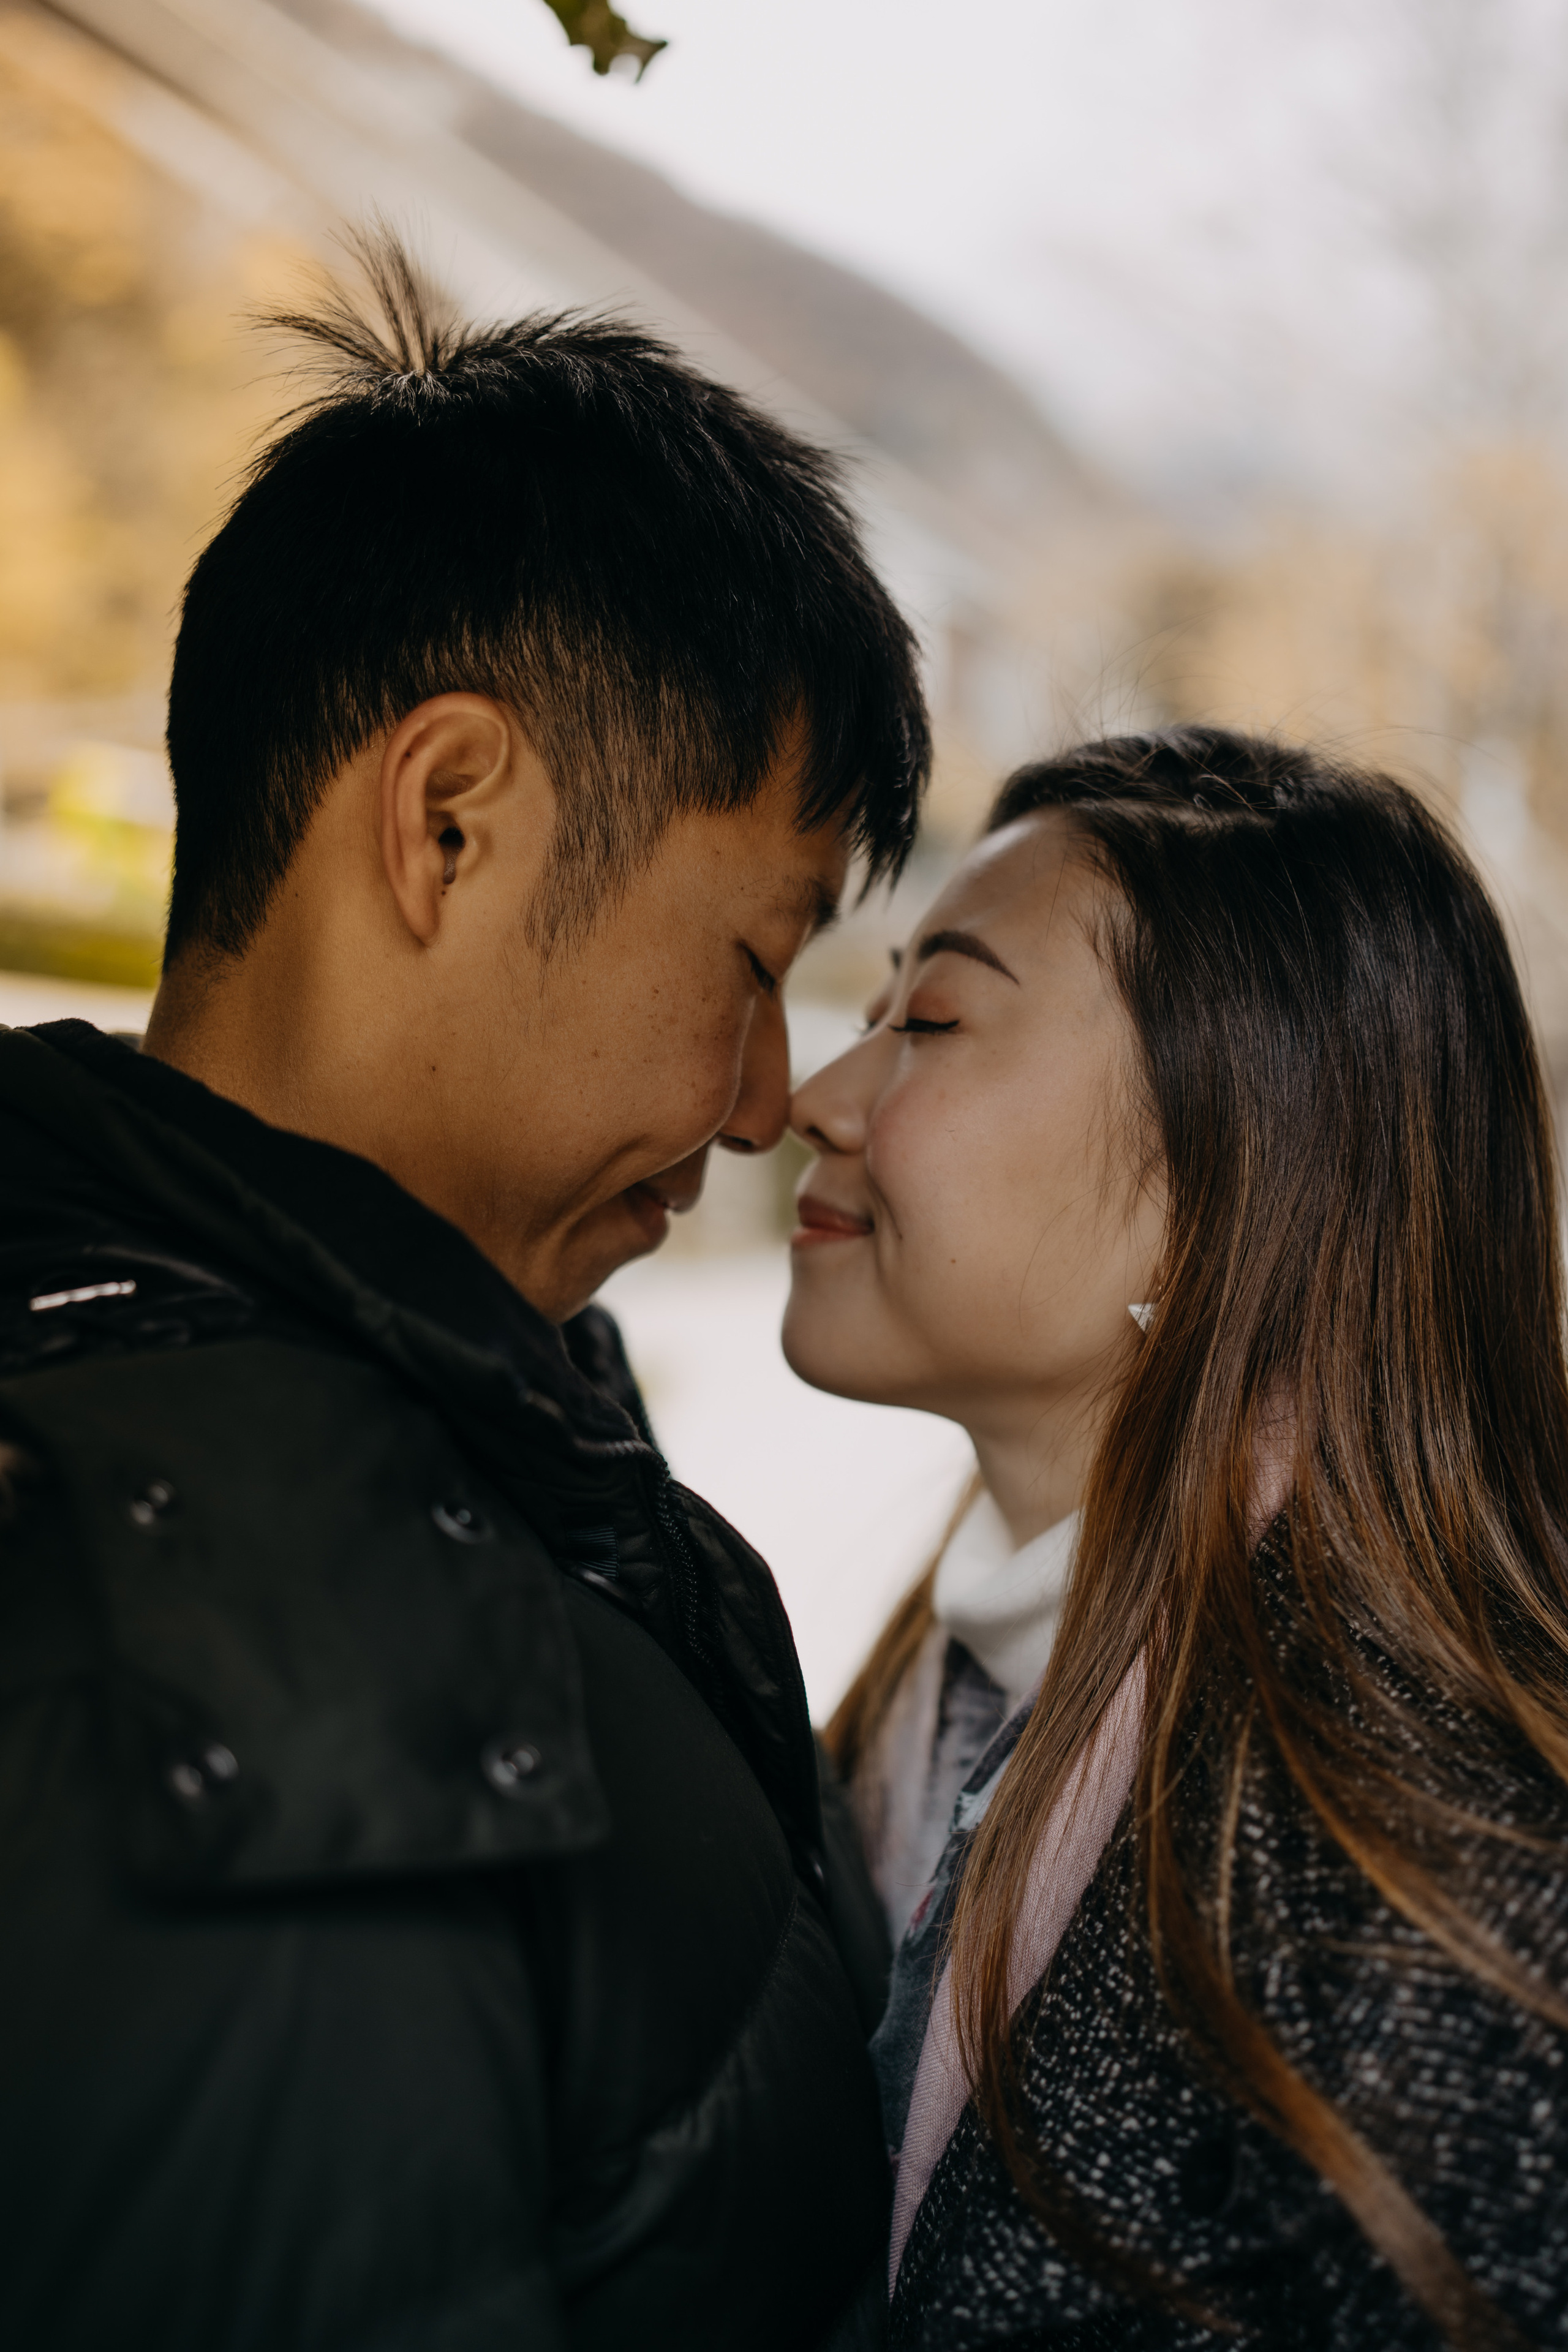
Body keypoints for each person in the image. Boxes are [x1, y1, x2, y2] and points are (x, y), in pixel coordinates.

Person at [0, 236, 926, 2351]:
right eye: (754, 962)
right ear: (446, 822)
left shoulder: (447, 1418)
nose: (768, 1103)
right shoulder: (255, 1669)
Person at [786, 727, 1568, 2350]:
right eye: (870, 1016)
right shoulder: (931, 1707)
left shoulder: (1419, 1891)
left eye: (931, 1022)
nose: (817, 1099)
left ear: (1227, 1177)